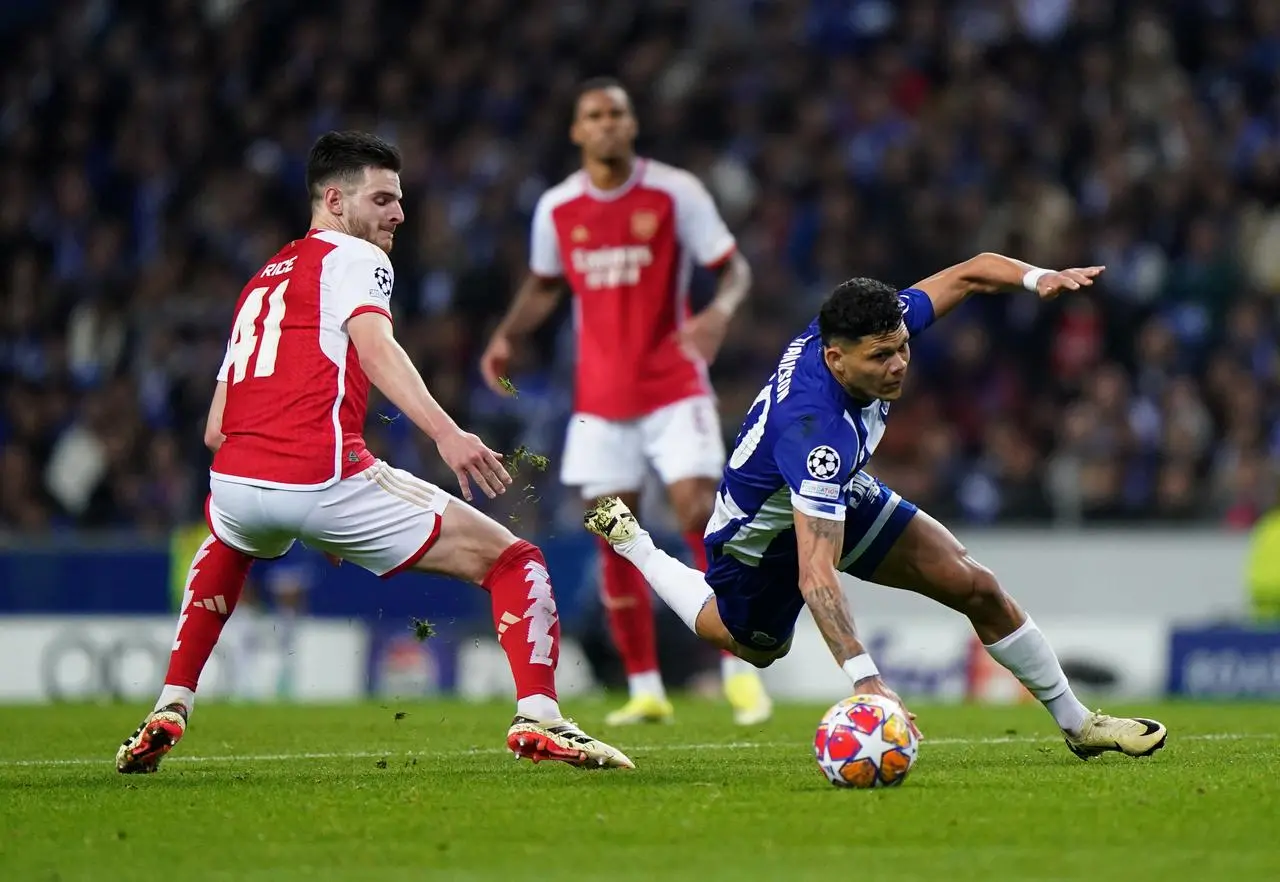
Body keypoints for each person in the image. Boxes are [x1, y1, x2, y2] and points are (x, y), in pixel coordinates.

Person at [116, 131, 633, 774]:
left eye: (400, 199)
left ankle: (171, 703)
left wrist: (299, 510)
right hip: (322, 473)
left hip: (238, 482)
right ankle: (542, 719)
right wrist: (446, 433)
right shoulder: (357, 258)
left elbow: (215, 429)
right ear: (334, 200)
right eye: (383, 198)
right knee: (515, 561)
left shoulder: (260, 283)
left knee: (229, 538)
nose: (399, 214)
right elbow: (376, 346)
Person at [587, 253, 1169, 760]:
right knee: (754, 646)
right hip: (758, 537)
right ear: (836, 359)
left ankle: (1079, 724)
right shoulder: (816, 431)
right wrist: (867, 682)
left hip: (835, 488)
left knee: (974, 584)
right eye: (880, 358)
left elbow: (970, 273)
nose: (898, 366)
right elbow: (815, 576)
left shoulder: (872, 330)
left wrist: (1038, 278)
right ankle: (636, 544)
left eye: (902, 349)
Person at [479, 78, 772, 726]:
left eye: (617, 113)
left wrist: (719, 313)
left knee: (701, 510)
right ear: (577, 131)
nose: (607, 124)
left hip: (673, 387)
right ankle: (645, 690)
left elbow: (735, 268)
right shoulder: (557, 208)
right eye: (594, 115)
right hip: (601, 402)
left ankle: (736, 666)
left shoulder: (675, 192)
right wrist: (507, 334)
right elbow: (544, 284)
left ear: (632, 126)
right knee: (615, 533)